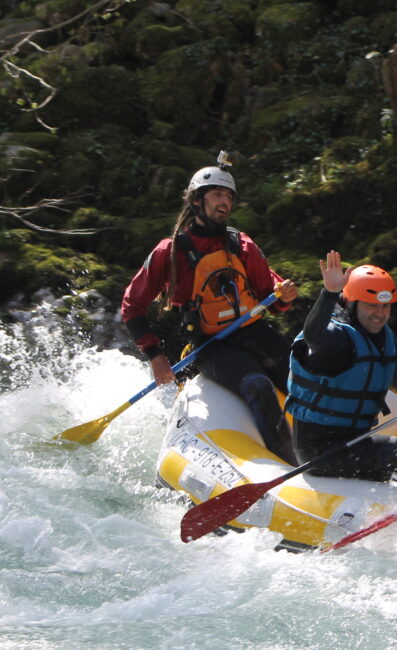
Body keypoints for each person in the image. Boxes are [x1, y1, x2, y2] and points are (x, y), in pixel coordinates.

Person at [121, 159, 299, 461]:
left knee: (302, 376)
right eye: (217, 194)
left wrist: (285, 295)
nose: (225, 203)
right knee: (257, 385)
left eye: (229, 197)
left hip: (254, 332)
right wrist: (155, 355)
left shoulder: (241, 245)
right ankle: (288, 460)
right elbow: (132, 305)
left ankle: (326, 443)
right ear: (196, 200)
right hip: (211, 345)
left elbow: (274, 297)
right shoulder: (170, 251)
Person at [285, 252, 397, 480]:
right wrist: (329, 293)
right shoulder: (335, 339)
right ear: (351, 303)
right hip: (320, 451)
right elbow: (313, 336)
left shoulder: (380, 339)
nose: (380, 314)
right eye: (372, 306)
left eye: (385, 307)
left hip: (357, 441)